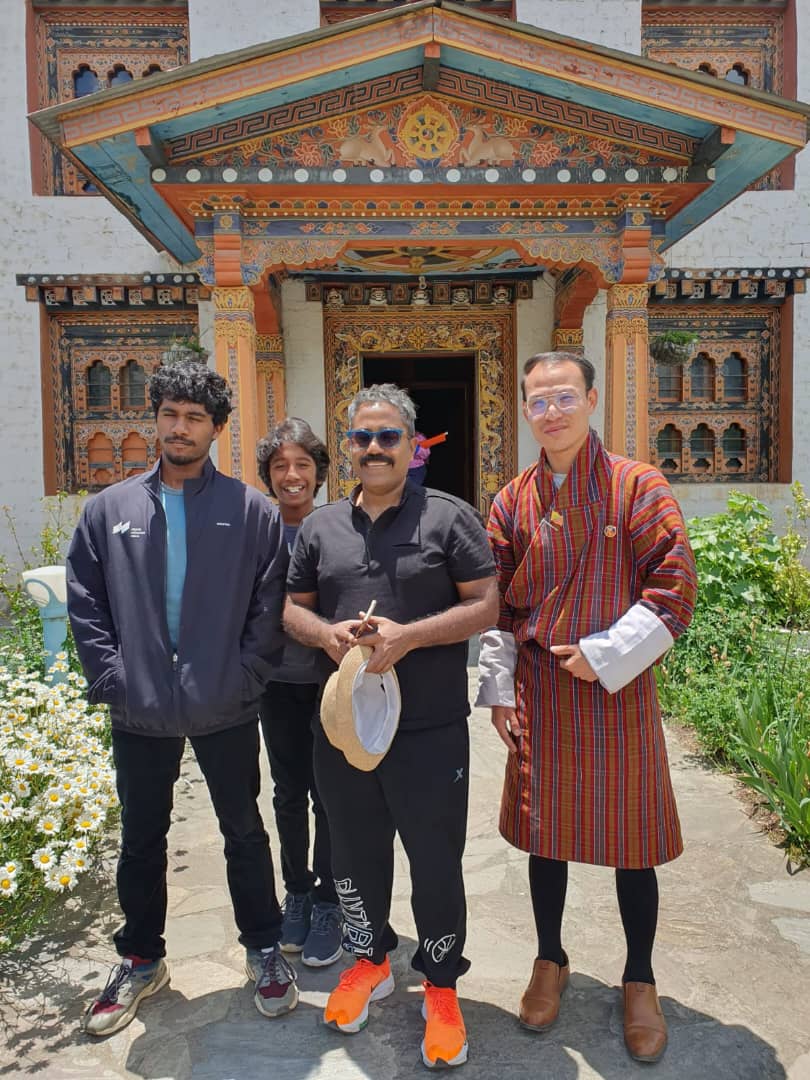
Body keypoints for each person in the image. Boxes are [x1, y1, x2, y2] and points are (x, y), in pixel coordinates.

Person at [477, 351, 697, 1064]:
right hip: (541, 690)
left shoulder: (640, 486)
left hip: (617, 690)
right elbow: (495, 602)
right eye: (538, 401)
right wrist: (500, 689)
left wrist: (604, 654)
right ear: (526, 411)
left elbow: (672, 591)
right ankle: (550, 958)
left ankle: (640, 977)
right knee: (547, 837)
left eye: (564, 396)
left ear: (592, 399)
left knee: (633, 844)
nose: (552, 411)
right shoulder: (512, 499)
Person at [67, 361, 297, 1036]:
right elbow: (86, 603)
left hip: (223, 703)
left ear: (216, 429)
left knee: (244, 831)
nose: (179, 427)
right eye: (170, 414)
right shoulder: (109, 511)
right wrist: (113, 679)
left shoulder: (250, 511)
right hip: (139, 707)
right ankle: (142, 958)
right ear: (156, 419)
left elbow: (268, 602)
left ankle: (263, 947)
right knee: (141, 838)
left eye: (195, 418)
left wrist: (246, 675)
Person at [284, 383, 498, 1070]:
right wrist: (327, 634)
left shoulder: (450, 518)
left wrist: (411, 637)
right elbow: (291, 608)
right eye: (360, 438)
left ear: (412, 447)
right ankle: (369, 959)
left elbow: (487, 605)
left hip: (429, 728)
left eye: (387, 437)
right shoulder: (320, 527)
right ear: (345, 448)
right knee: (350, 854)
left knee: (435, 862)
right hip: (344, 729)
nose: (373, 449)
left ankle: (439, 983)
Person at [255, 417, 342, 967]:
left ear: (319, 474)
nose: (292, 476)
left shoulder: (337, 528)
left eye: (303, 465)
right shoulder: (254, 531)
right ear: (268, 475)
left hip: (327, 685)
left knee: (330, 796)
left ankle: (332, 901)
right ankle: (299, 891)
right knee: (287, 794)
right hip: (275, 685)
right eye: (280, 466)